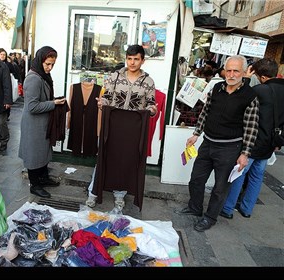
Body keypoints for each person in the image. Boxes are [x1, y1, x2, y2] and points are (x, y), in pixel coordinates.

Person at [175, 55, 259, 232]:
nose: (231, 74)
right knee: (196, 179)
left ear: (244, 72)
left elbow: (251, 128)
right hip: (208, 143)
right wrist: (196, 133)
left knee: (220, 188)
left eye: (236, 70)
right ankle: (195, 208)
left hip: (230, 148)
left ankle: (210, 217)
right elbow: (205, 113)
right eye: (228, 70)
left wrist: (245, 154)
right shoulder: (216, 87)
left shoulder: (250, 96)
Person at [85, 44, 158, 210]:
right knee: (104, 157)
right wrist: (101, 103)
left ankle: (119, 195)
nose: (132, 63)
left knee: (125, 161)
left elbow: (151, 105)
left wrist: (152, 111)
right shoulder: (115, 77)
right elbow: (107, 98)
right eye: (129, 59)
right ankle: (93, 193)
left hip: (133, 130)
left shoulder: (148, 82)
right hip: (112, 125)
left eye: (136, 59)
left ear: (142, 61)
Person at [221, 58, 284, 219]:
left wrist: (247, 79)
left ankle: (228, 208)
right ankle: (247, 209)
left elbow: (242, 96)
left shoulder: (261, 90)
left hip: (254, 141)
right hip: (271, 142)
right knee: (257, 176)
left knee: (239, 174)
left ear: (261, 76)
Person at [18, 46, 66, 199]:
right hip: (34, 125)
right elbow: (32, 106)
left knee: (43, 153)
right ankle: (35, 185)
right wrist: (54, 103)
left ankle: (43, 178)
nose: (50, 68)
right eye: (47, 64)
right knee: (34, 155)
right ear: (40, 61)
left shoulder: (42, 75)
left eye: (52, 64)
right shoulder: (33, 78)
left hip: (42, 123)